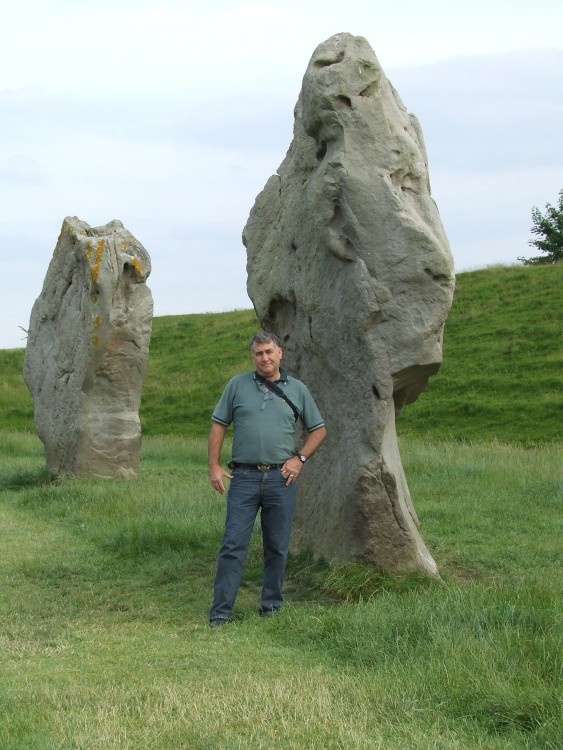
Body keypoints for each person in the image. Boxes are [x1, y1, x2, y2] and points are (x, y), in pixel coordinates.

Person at [208, 331, 327, 627]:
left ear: (280, 353)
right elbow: (218, 425)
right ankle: (221, 611)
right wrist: (214, 465)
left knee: (277, 545)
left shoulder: (297, 389)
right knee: (233, 544)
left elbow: (319, 430)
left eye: (269, 352)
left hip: (280, 479)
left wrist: (299, 459)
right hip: (244, 477)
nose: (265, 358)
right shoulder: (237, 385)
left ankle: (271, 606)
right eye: (259, 353)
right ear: (253, 357)